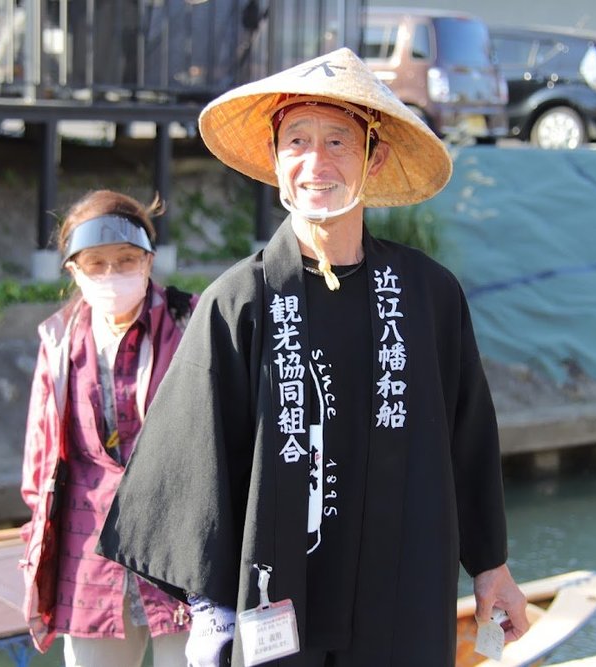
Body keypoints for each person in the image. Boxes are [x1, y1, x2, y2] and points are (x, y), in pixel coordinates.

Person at [97, 48, 529, 666]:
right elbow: (192, 462)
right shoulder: (238, 302)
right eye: (297, 140)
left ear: (373, 158)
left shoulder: (428, 295)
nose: (316, 162)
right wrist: (208, 607)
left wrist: (491, 568)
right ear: (276, 160)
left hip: (400, 600)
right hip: (277, 602)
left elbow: (469, 441)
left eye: (338, 141)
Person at [19, 189, 198, 666]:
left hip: (179, 545)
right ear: (74, 270)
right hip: (90, 553)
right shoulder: (58, 341)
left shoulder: (191, 321)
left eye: (125, 260)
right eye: (96, 263)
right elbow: (40, 462)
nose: (111, 273)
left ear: (148, 261)